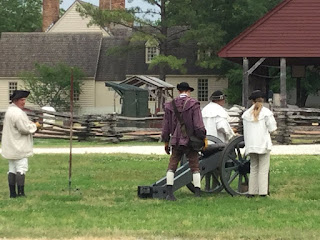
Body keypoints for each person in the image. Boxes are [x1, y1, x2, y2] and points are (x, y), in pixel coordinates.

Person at [161, 82, 207, 201]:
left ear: (179, 91)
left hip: (176, 140)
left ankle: (169, 193)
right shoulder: (193, 104)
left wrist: (166, 141)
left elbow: (166, 126)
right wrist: (203, 138)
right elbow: (198, 125)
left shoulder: (170, 105)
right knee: (194, 165)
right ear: (188, 91)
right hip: (190, 140)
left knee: (172, 165)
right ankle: (197, 192)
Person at [1, 90, 41, 198]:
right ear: (16, 100)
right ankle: (20, 193)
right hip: (19, 145)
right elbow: (23, 129)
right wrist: (35, 126)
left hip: (11, 145)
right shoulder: (18, 113)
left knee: (12, 169)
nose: (24, 102)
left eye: (24, 100)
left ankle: (12, 193)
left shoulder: (10, 111)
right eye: (22, 100)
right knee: (21, 169)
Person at [242, 90, 277, 197]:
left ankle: (252, 191)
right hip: (263, 144)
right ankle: (263, 192)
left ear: (252, 101)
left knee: (254, 168)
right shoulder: (266, 113)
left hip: (251, 145)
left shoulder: (246, 114)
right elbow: (272, 128)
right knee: (263, 169)